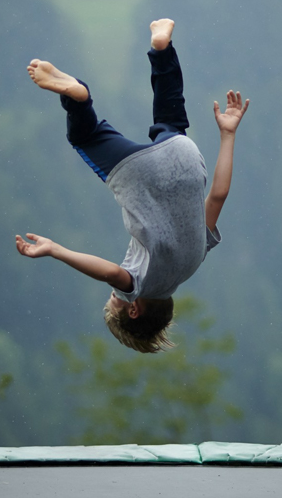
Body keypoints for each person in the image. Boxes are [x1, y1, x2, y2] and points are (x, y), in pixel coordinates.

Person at [16, 19, 249, 353]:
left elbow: (219, 195)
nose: (116, 296)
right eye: (116, 301)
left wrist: (227, 134)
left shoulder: (194, 262)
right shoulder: (139, 284)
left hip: (183, 158)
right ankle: (78, 99)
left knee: (169, 116)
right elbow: (112, 273)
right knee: (86, 136)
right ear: (135, 308)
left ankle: (162, 49)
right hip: (141, 176)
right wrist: (55, 250)